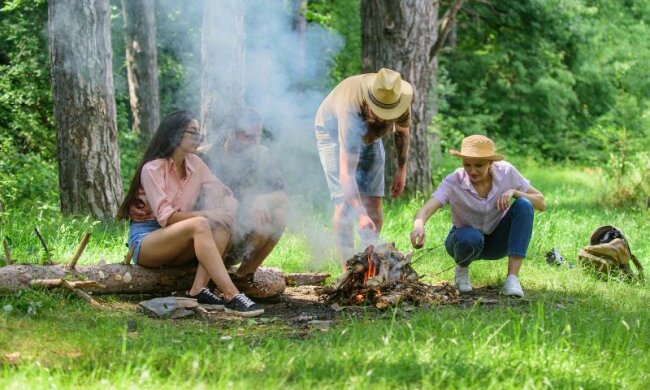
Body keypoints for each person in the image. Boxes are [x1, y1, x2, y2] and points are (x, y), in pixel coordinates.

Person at [116, 110, 264, 317]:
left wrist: (228, 206)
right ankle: (231, 294)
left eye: (199, 133)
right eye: (193, 133)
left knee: (219, 223)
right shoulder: (152, 169)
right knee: (202, 223)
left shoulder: (195, 164)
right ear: (175, 134)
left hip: (181, 241)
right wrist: (210, 214)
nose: (199, 138)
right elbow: (166, 218)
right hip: (148, 241)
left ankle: (197, 290)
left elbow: (224, 192)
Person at [410, 135, 546, 297]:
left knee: (524, 204)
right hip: (464, 241)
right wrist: (419, 227)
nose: (472, 171)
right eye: (467, 165)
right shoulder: (453, 181)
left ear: (491, 163)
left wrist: (516, 192)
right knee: (470, 236)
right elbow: (425, 209)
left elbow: (541, 203)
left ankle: (512, 279)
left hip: (498, 242)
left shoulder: (507, 172)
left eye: (479, 165)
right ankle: (462, 268)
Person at [314, 68, 413, 265]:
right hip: (333, 134)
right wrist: (360, 215)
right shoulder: (351, 108)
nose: (385, 119)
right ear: (369, 102)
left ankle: (368, 263)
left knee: (374, 204)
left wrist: (402, 169)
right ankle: (348, 270)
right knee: (344, 204)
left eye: (389, 114)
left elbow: (402, 132)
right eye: (380, 113)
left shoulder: (400, 99)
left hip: (371, 136)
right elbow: (347, 174)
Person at [201, 108, 288, 299]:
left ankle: (242, 277)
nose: (255, 142)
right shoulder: (205, 157)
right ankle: (209, 280)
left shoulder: (261, 155)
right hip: (209, 239)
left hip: (243, 238)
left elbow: (283, 195)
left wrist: (263, 199)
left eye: (258, 136)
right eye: (248, 136)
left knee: (279, 215)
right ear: (231, 133)